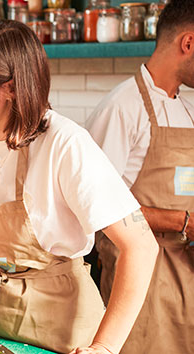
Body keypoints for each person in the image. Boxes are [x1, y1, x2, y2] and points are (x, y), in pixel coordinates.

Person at [0, 21, 158, 354]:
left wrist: (104, 348)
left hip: (62, 332)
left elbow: (142, 246)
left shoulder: (65, 143)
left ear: (11, 88)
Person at [86, 0, 194, 352]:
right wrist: (184, 221)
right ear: (188, 43)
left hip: (185, 271)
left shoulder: (190, 107)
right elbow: (96, 206)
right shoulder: (122, 107)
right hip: (141, 279)